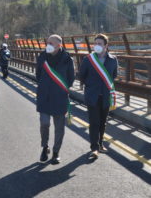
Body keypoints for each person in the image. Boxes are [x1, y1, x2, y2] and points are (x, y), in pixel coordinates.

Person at [36, 35, 75, 164]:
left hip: (59, 97)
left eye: (51, 43)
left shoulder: (67, 59)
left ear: (59, 45)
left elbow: (71, 78)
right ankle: (45, 146)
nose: (48, 45)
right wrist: (45, 87)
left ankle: (56, 152)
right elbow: (38, 75)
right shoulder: (42, 57)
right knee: (44, 123)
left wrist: (60, 89)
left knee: (59, 127)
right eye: (47, 42)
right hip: (44, 97)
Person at [79, 34, 118, 160]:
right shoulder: (88, 59)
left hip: (106, 96)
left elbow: (114, 76)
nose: (96, 46)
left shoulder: (113, 60)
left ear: (106, 46)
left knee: (103, 122)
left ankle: (100, 144)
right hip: (92, 95)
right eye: (95, 43)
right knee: (94, 122)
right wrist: (91, 86)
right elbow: (81, 76)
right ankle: (94, 148)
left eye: (99, 44)